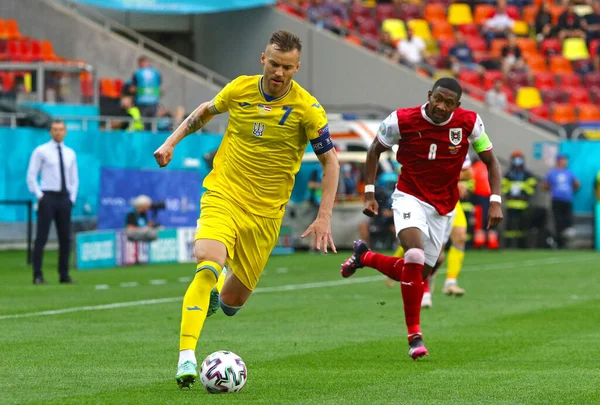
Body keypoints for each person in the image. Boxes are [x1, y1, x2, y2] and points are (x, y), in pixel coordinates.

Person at [153, 30, 340, 388]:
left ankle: (215, 292)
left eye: (287, 67)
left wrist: (324, 215)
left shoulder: (307, 109)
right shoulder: (239, 88)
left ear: (296, 67)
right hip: (224, 193)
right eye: (274, 64)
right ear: (263, 60)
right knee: (206, 264)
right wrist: (170, 142)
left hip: (266, 216)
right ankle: (186, 358)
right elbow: (204, 112)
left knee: (231, 303)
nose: (279, 72)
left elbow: (330, 163)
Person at [340, 78, 503, 360]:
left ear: (457, 105)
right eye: (437, 98)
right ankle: (414, 336)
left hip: (445, 206)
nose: (441, 106)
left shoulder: (470, 122)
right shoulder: (402, 120)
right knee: (413, 255)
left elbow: (491, 161)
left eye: (448, 103)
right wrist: (369, 193)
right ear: (429, 95)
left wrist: (495, 200)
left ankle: (364, 257)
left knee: (416, 272)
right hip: (409, 196)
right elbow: (374, 150)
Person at [391, 154, 474, 308]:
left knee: (458, 238)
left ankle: (450, 281)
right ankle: (422, 288)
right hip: (426, 199)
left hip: (450, 200)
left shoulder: (459, 139)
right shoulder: (424, 140)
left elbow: (468, 172)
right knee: (426, 249)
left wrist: (452, 179)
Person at [26, 120, 79, 285]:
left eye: (61, 129)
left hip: (64, 198)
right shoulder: (41, 151)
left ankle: (64, 274)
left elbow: (74, 179)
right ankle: (37, 274)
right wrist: (40, 195)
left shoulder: (70, 153)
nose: (58, 132)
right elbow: (31, 176)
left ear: (65, 132)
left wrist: (71, 199)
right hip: (47, 197)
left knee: (65, 238)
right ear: (50, 131)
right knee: (41, 237)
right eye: (55, 129)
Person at [502, 150, 537, 249]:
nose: (517, 161)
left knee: (523, 226)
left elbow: (532, 186)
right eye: (515, 159)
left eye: (519, 159)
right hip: (511, 204)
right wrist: (509, 192)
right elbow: (504, 187)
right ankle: (508, 245)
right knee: (509, 226)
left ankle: (522, 245)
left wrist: (524, 192)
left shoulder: (527, 174)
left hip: (523, 204)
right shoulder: (508, 174)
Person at [543, 154, 580, 249]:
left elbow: (577, 184)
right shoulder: (552, 173)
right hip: (556, 200)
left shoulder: (569, 172)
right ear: (559, 161)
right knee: (558, 222)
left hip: (567, 200)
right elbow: (546, 185)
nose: (565, 162)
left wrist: (569, 190)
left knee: (568, 221)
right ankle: (559, 242)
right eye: (563, 160)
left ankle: (566, 242)